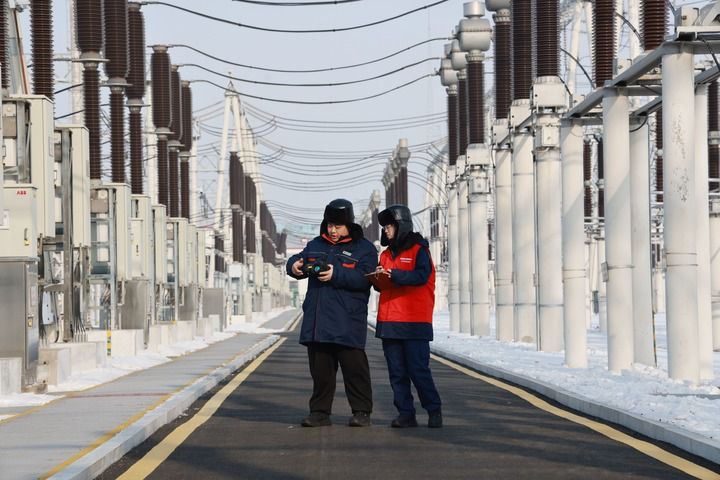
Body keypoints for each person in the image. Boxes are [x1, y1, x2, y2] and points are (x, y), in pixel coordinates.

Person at [286, 198, 378, 427]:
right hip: (318, 322)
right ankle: (319, 413)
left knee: (355, 371)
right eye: (329, 225)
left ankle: (361, 412)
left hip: (348, 321)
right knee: (321, 373)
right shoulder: (317, 244)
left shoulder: (363, 248)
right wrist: (294, 266)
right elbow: (299, 260)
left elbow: (365, 279)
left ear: (348, 224)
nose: (332, 230)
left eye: (337, 226)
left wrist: (337, 274)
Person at [374, 204, 442, 428]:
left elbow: (421, 276)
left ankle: (433, 410)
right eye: (384, 226)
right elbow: (384, 283)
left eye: (390, 225)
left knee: (418, 370)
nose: (386, 230)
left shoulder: (419, 250)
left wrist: (394, 274)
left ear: (401, 225)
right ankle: (406, 413)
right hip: (389, 322)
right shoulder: (384, 255)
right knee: (397, 373)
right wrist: (377, 278)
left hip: (414, 322)